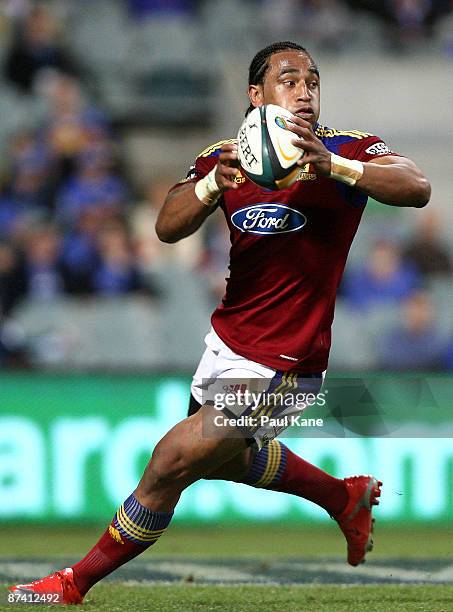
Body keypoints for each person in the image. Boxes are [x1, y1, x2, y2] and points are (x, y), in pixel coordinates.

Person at [9, 41, 430, 604]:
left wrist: (336, 167)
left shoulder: (345, 150)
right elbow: (165, 226)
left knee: (169, 463)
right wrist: (210, 186)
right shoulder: (224, 157)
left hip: (288, 363)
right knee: (226, 459)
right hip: (229, 345)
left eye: (312, 80)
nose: (304, 91)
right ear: (256, 95)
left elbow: (417, 187)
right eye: (288, 79)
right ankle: (342, 498)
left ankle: (71, 583)